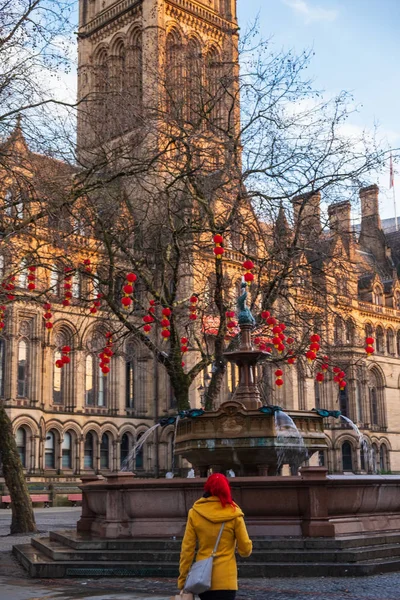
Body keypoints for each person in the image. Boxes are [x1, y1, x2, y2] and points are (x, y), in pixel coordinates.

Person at [178, 473, 253, 600]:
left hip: (202, 579)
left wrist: (183, 579)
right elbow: (245, 550)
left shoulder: (195, 512)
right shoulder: (234, 514)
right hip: (227, 580)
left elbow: (187, 550)